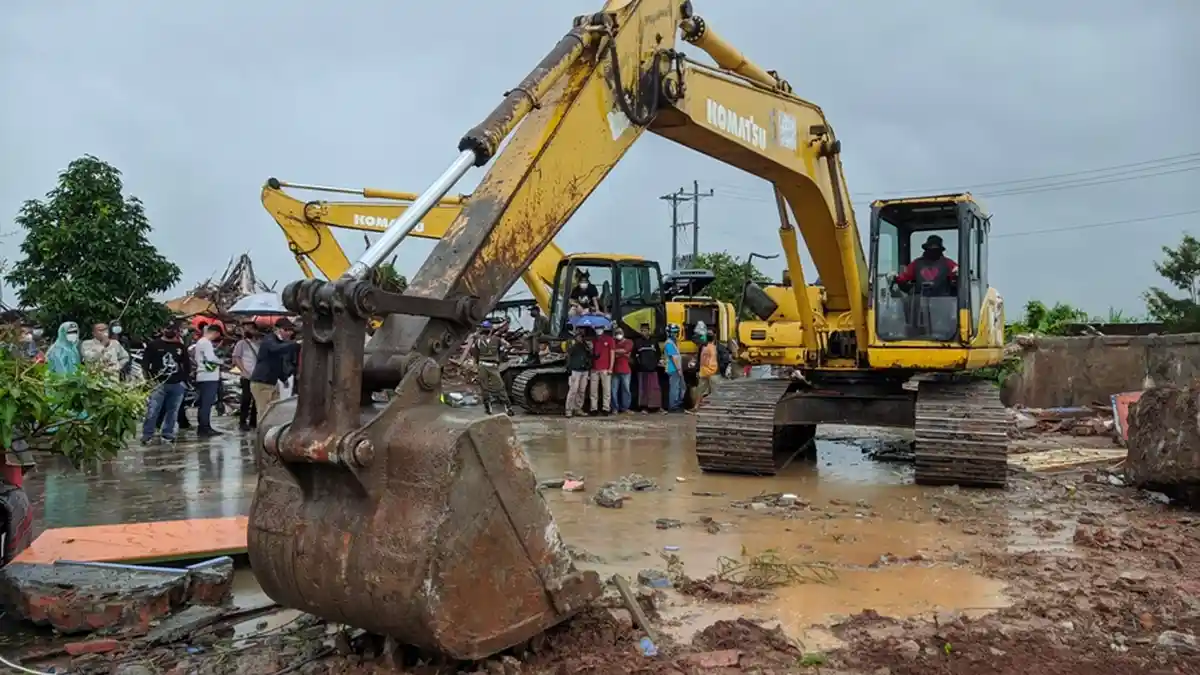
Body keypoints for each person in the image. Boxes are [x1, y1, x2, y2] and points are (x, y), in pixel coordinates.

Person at [141, 324, 191, 444]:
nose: (170, 331)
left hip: (177, 384)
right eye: (168, 328)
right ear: (163, 330)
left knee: (173, 411)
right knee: (153, 410)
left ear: (177, 331)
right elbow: (145, 364)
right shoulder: (153, 345)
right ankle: (147, 434)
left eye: (173, 329)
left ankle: (168, 434)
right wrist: (149, 380)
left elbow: (187, 365)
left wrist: (184, 380)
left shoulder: (180, 346)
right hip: (158, 383)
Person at [250, 318, 299, 418]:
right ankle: (262, 428)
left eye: (291, 330)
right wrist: (294, 344)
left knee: (274, 412)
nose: (289, 333)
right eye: (286, 330)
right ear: (277, 329)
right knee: (264, 413)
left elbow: (278, 364)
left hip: (272, 382)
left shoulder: (280, 343)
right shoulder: (269, 340)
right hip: (262, 383)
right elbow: (275, 349)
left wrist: (284, 379)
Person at [472, 320, 513, 416]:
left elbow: (475, 353)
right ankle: (508, 408)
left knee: (484, 388)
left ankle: (488, 408)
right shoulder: (497, 339)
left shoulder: (478, 340)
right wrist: (501, 355)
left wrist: (476, 364)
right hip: (493, 366)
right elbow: (508, 346)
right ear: (490, 330)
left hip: (482, 365)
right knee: (500, 387)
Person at [193, 323, 224, 438]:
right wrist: (221, 361)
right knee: (207, 404)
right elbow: (210, 358)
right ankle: (205, 428)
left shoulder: (200, 342)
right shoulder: (206, 343)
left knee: (203, 404)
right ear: (215, 333)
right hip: (209, 376)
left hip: (202, 376)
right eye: (217, 336)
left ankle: (203, 427)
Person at [232, 321, 260, 431]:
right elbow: (236, 358)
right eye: (245, 328)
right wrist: (243, 371)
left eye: (250, 328)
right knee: (246, 398)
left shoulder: (259, 344)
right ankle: (242, 422)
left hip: (257, 375)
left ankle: (253, 422)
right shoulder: (241, 344)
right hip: (246, 376)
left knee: (256, 399)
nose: (247, 330)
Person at [632, 323, 662, 414]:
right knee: (643, 389)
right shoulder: (637, 342)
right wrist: (639, 364)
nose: (643, 332)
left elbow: (658, 354)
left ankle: (655, 407)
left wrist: (655, 364)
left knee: (654, 388)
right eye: (642, 331)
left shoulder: (654, 341)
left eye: (645, 330)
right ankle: (644, 407)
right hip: (642, 370)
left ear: (649, 331)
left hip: (653, 369)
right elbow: (634, 356)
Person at [564, 328, 591, 418]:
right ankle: (569, 409)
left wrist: (589, 348)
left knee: (582, 390)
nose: (580, 338)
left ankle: (578, 408)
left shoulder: (585, 346)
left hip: (584, 370)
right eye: (579, 336)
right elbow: (568, 354)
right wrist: (569, 368)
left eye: (581, 336)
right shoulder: (573, 345)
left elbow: (590, 355)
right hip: (575, 370)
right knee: (573, 390)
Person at [589, 326, 614, 415]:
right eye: (596, 328)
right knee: (593, 390)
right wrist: (591, 349)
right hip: (594, 368)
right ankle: (593, 408)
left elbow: (612, 354)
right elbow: (591, 355)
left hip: (605, 368)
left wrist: (610, 368)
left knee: (606, 390)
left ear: (603, 329)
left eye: (600, 328)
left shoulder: (609, 339)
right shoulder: (593, 340)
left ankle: (606, 408)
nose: (598, 330)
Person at [692, 333, 719, 413]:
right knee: (714, 391)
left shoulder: (704, 348)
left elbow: (702, 360)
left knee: (700, 390)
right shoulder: (714, 348)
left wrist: (698, 369)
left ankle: (696, 406)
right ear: (714, 339)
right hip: (713, 372)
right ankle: (715, 408)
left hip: (704, 371)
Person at [610, 326, 633, 414]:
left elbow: (625, 350)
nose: (618, 334)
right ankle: (615, 408)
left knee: (626, 390)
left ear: (623, 334)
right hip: (614, 370)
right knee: (613, 390)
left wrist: (614, 351)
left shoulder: (629, 342)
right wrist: (622, 353)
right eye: (617, 333)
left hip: (625, 370)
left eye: (620, 333)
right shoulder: (613, 341)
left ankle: (625, 408)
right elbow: (624, 352)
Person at [664, 323, 685, 412]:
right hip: (673, 369)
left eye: (676, 332)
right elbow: (674, 357)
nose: (675, 334)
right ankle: (673, 406)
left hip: (675, 368)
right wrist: (679, 369)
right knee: (674, 388)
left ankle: (676, 404)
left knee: (679, 387)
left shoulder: (673, 343)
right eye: (673, 332)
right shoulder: (669, 343)